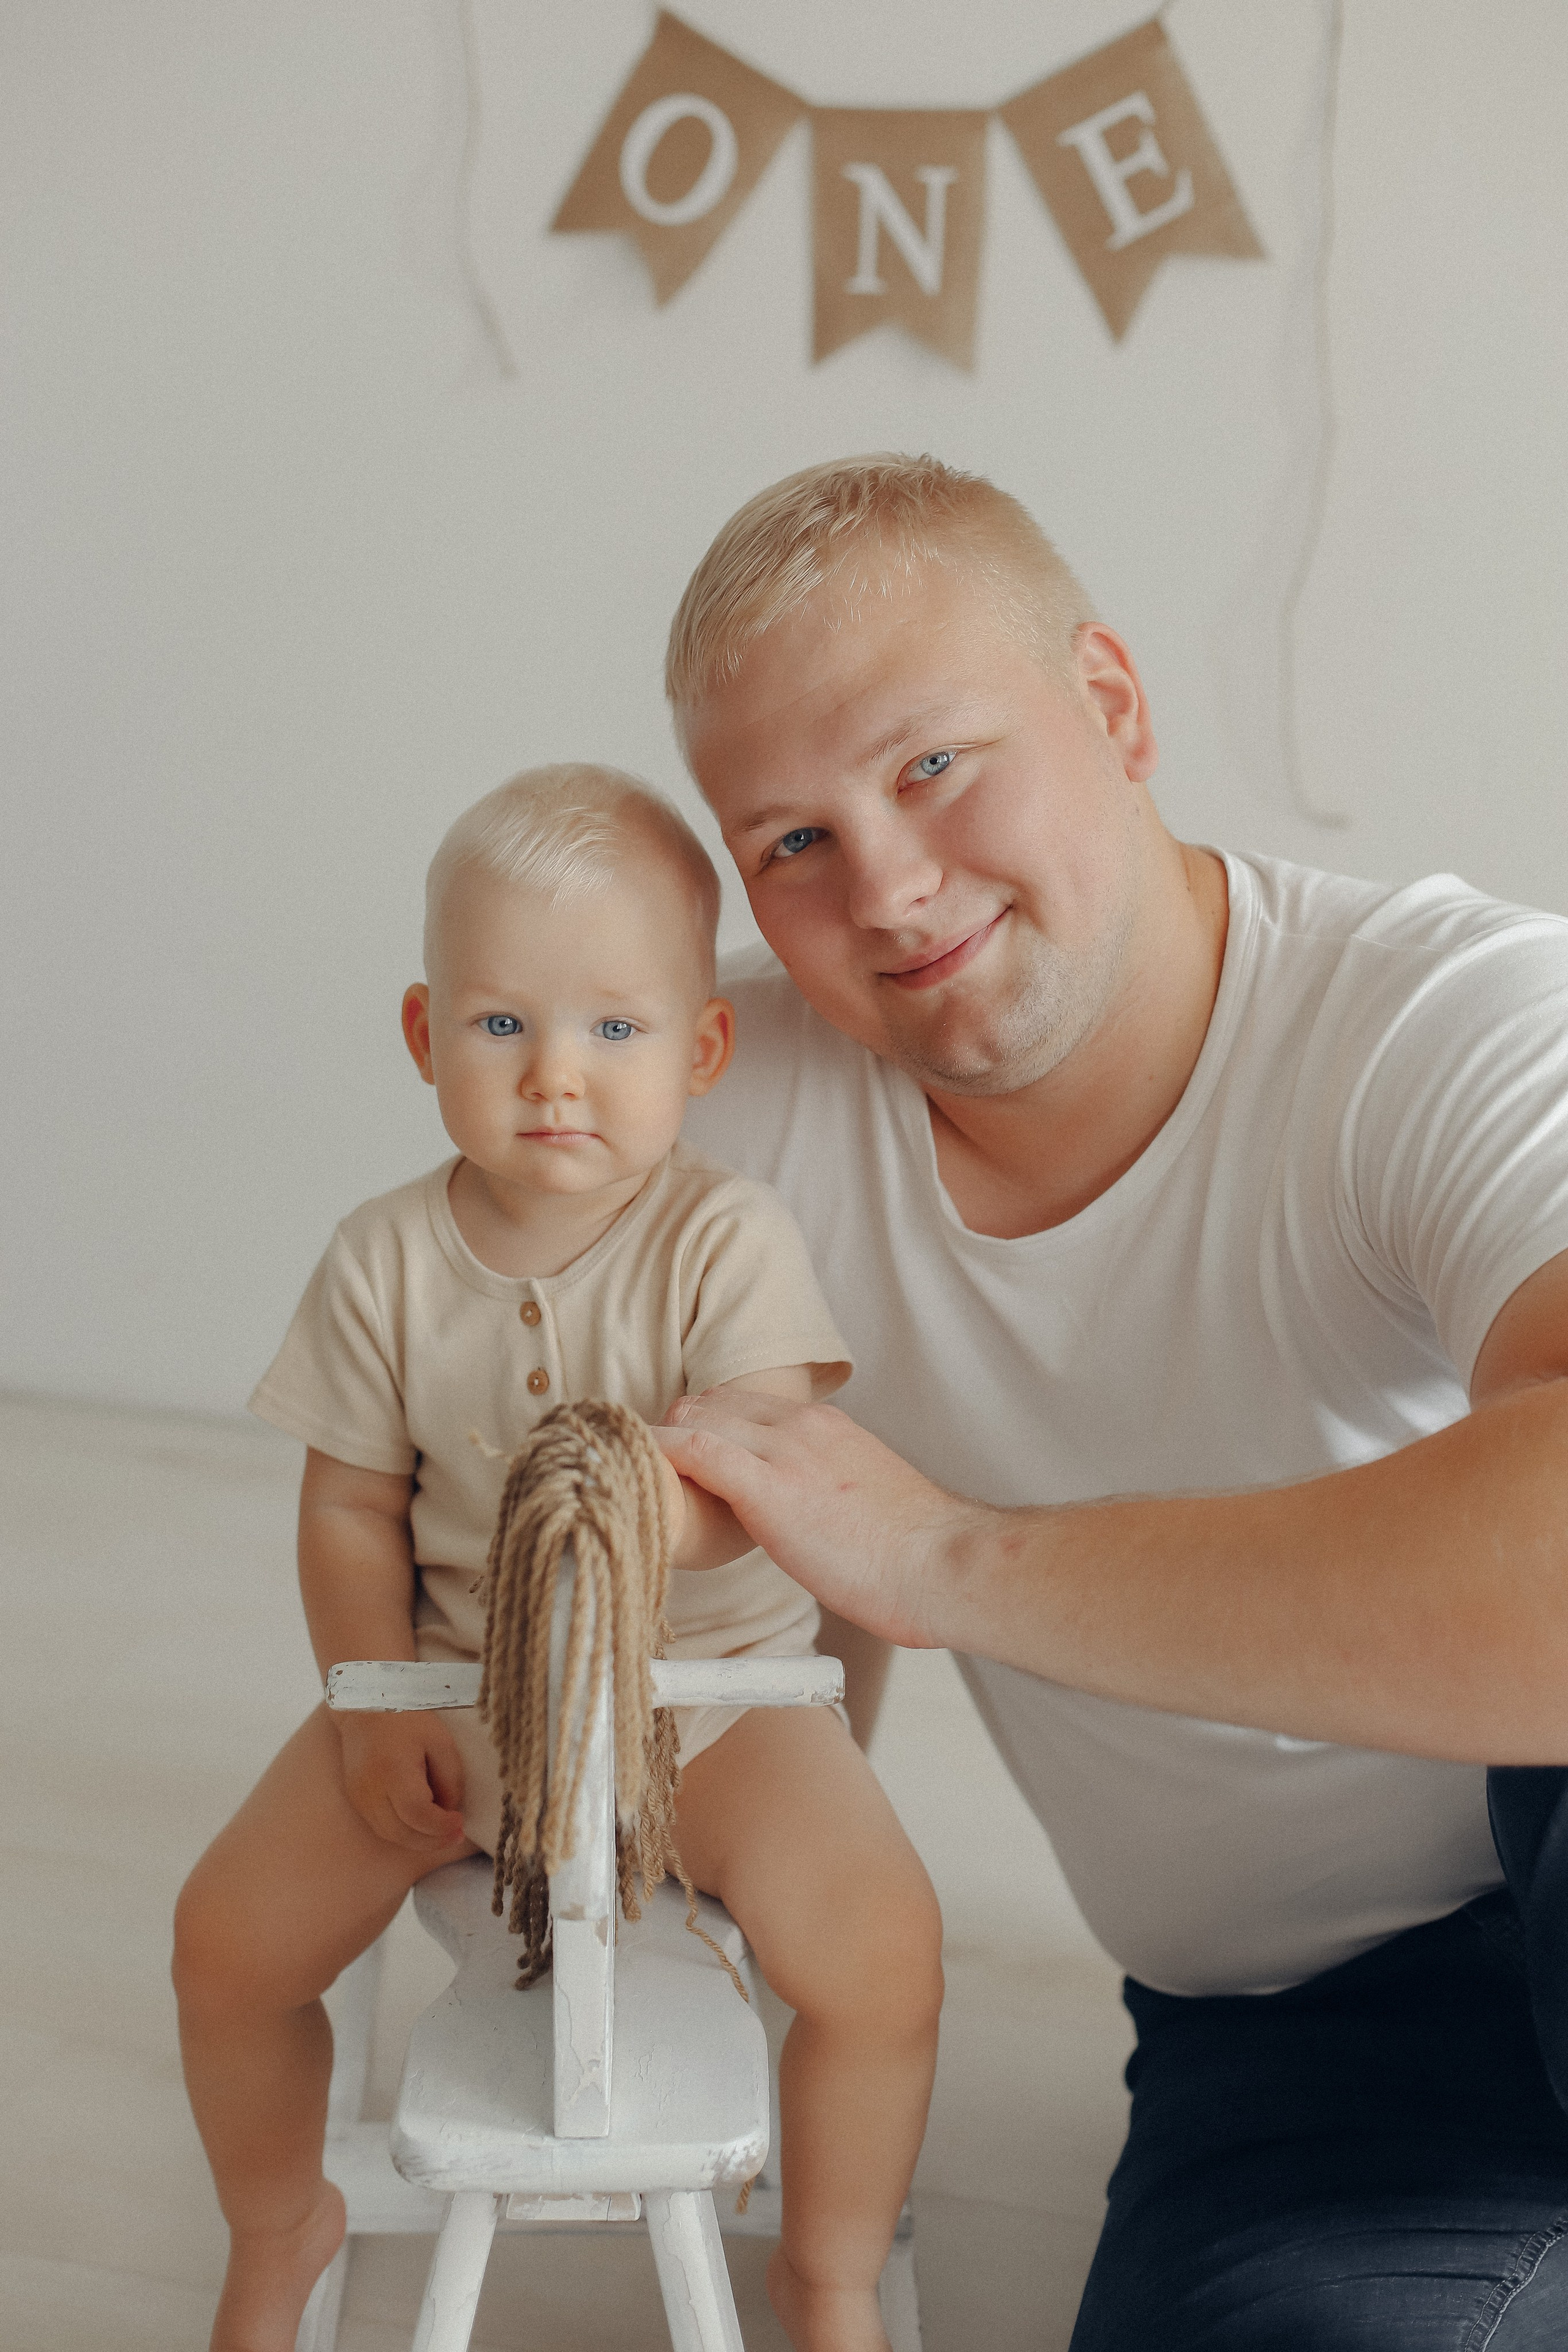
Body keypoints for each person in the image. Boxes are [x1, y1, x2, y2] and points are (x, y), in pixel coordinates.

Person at [656, 454, 1568, 2346]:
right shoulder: (742, 1129)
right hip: (1301, 2046)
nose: (889, 889)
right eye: (789, 843)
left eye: (930, 767)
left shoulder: (1443, 1019)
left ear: (1117, 706)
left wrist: (946, 1554)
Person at [172, 765, 943, 2352]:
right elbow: (345, 1507)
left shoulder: (722, 1244)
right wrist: (370, 1703)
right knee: (224, 1945)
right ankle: (278, 2217)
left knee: (884, 1957)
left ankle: (831, 2266)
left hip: (707, 1701)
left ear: (701, 1050)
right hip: (460, 1693)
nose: (555, 1079)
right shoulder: (384, 1259)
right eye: (503, 1025)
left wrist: (629, 1514)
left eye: (614, 1027)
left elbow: (762, 1478)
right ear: (423, 1035)